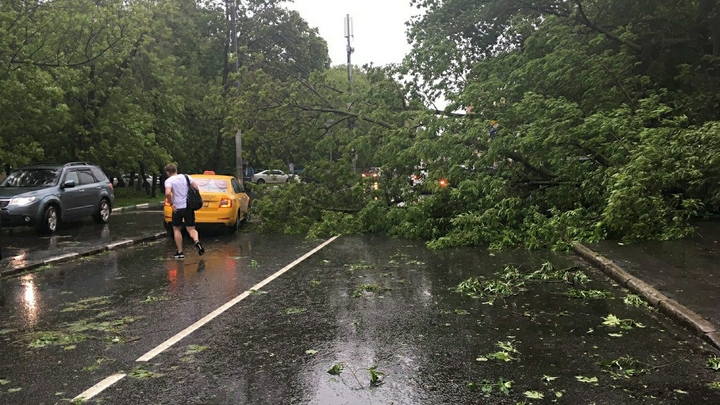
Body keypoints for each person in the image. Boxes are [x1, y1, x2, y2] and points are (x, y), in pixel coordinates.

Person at [164, 163, 204, 259]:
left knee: (176, 229)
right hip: (188, 207)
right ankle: (196, 241)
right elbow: (196, 188)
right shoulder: (186, 177)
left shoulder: (169, 181)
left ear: (167, 172)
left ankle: (180, 252)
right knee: (191, 228)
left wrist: (171, 203)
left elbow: (168, 192)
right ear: (176, 170)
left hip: (177, 208)